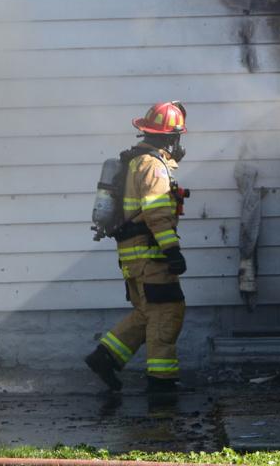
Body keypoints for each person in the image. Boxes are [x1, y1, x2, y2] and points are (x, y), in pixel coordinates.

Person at [85, 101, 189, 394]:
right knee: (167, 313)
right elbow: (156, 212)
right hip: (151, 256)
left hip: (134, 257)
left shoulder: (137, 161)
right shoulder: (153, 166)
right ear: (171, 137)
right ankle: (161, 385)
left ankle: (105, 357)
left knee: (147, 313)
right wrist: (172, 252)